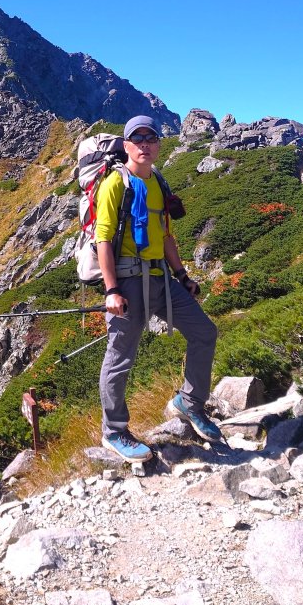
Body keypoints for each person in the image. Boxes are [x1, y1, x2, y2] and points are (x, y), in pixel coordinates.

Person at [97, 114, 220, 463]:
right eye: (137, 139)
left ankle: (189, 402)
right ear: (126, 145)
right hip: (127, 281)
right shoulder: (115, 184)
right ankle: (114, 431)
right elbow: (103, 239)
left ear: (159, 144)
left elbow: (166, 235)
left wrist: (183, 276)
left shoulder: (158, 183)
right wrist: (111, 290)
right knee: (120, 357)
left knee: (204, 332)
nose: (144, 145)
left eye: (150, 138)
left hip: (161, 278)